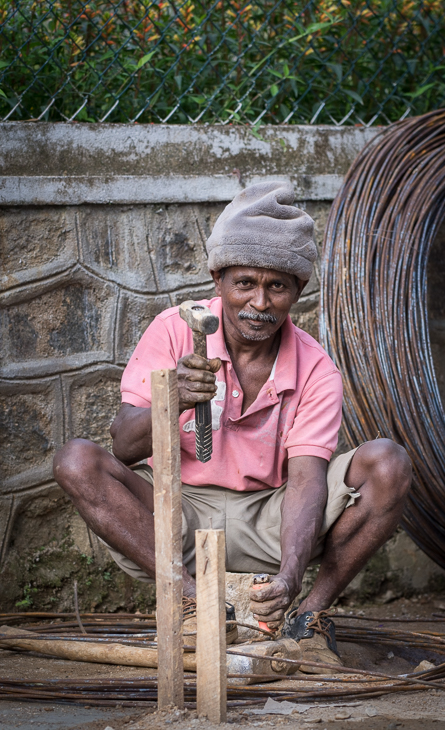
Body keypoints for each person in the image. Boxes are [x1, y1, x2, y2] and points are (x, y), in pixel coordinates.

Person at [53, 181, 411, 672]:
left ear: (298, 291)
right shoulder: (176, 329)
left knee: (387, 463)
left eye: (277, 286)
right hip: (175, 511)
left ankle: (307, 618)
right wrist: (173, 396)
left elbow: (307, 479)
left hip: (270, 512)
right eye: (245, 283)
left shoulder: (316, 367)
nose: (259, 303)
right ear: (218, 279)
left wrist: (288, 575)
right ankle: (192, 601)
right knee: (75, 459)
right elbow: (123, 447)